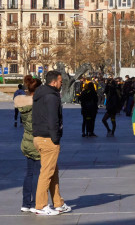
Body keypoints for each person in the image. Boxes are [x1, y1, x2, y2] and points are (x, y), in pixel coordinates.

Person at [31, 70, 71, 216]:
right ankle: (41, 206)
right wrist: (55, 139)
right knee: (46, 173)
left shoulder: (40, 94)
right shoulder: (52, 97)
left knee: (53, 171)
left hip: (39, 137)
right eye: (61, 81)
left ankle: (58, 203)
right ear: (54, 82)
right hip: (48, 138)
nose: (62, 83)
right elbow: (53, 119)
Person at [16, 75, 41, 213]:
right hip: (36, 140)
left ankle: (26, 203)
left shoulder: (23, 102)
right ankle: (36, 202)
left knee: (29, 173)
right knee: (38, 173)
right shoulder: (36, 103)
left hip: (26, 140)